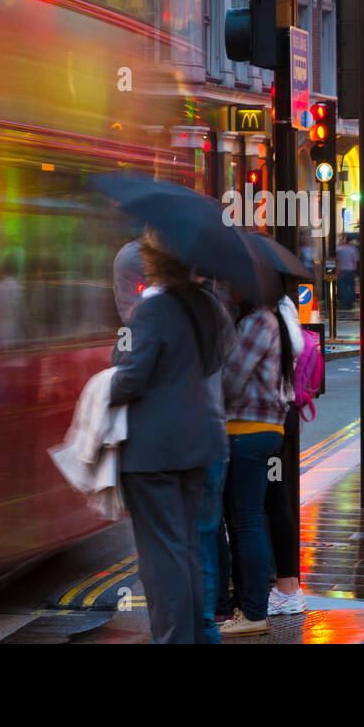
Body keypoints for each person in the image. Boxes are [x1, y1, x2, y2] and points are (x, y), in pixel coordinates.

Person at [109, 232, 232, 643]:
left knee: (161, 557)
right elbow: (220, 357)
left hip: (153, 452)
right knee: (186, 549)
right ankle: (193, 635)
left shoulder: (152, 310)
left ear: (154, 263)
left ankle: (173, 638)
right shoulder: (207, 306)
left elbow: (130, 377)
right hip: (200, 444)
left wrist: (101, 386)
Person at [218, 283, 291, 637]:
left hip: (248, 429)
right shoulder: (266, 320)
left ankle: (253, 610)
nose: (230, 289)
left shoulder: (258, 322)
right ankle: (249, 606)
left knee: (245, 521)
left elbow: (231, 380)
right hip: (259, 429)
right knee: (245, 519)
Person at [265, 278, 307, 616]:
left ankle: (287, 587)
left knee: (269, 502)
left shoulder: (267, 316)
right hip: (285, 413)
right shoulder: (287, 308)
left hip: (270, 415)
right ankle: (287, 585)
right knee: (276, 500)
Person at [335, 237, 359, 312]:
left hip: (341, 271)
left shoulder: (339, 249)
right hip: (350, 270)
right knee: (351, 287)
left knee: (343, 288)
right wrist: (355, 269)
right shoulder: (352, 250)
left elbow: (336, 260)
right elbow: (355, 261)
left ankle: (344, 303)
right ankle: (350, 303)